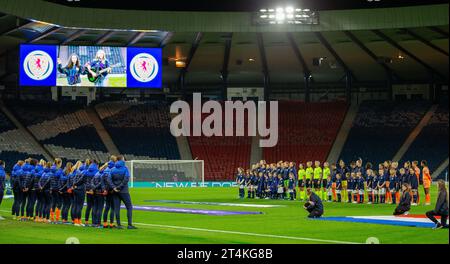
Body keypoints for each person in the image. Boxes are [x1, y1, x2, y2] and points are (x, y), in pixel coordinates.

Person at [109, 156, 136, 229]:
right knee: (129, 206)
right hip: (124, 191)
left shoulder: (112, 169)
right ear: (122, 160)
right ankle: (129, 224)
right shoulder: (125, 169)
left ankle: (118, 225)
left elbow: (109, 180)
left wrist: (114, 187)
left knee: (117, 208)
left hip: (115, 191)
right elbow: (126, 179)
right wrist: (119, 187)